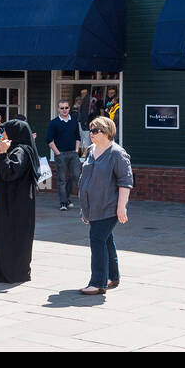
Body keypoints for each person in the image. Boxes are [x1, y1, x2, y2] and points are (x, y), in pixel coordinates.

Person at [77, 116, 133, 296]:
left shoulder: (117, 153)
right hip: (92, 206)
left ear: (107, 133)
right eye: (91, 130)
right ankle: (112, 276)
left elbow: (125, 182)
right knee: (106, 240)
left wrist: (121, 207)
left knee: (97, 239)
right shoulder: (92, 150)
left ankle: (98, 283)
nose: (91, 134)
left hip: (108, 206)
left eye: (95, 131)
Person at [0, 119, 39, 284]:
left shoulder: (21, 151)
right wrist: (0, 152)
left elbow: (10, 172)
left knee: (11, 236)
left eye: (5, 132)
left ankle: (11, 272)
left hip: (14, 204)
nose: (3, 135)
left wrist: (2, 154)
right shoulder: (14, 149)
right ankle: (3, 270)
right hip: (10, 201)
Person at [47, 99, 82, 211]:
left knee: (75, 176)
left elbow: (78, 137)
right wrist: (57, 153)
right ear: (58, 109)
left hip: (73, 153)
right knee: (61, 179)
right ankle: (63, 202)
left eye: (66, 107)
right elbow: (49, 140)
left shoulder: (74, 121)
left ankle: (66, 198)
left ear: (69, 108)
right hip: (60, 154)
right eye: (62, 108)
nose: (64, 110)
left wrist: (76, 150)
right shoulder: (53, 123)